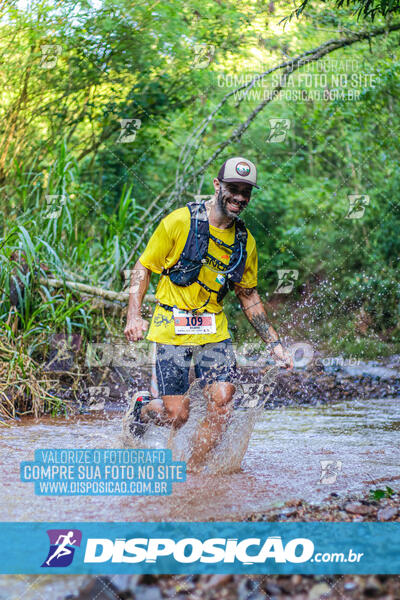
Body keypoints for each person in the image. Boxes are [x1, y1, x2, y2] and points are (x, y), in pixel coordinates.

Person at [124, 156, 293, 469]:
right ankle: (143, 409)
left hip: (213, 330)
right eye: (233, 188)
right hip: (171, 325)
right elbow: (144, 266)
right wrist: (134, 315)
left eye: (246, 191)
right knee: (177, 415)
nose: (240, 197)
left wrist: (275, 344)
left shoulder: (245, 243)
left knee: (223, 404)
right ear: (217, 185)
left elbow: (248, 294)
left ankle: (194, 472)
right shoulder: (179, 222)